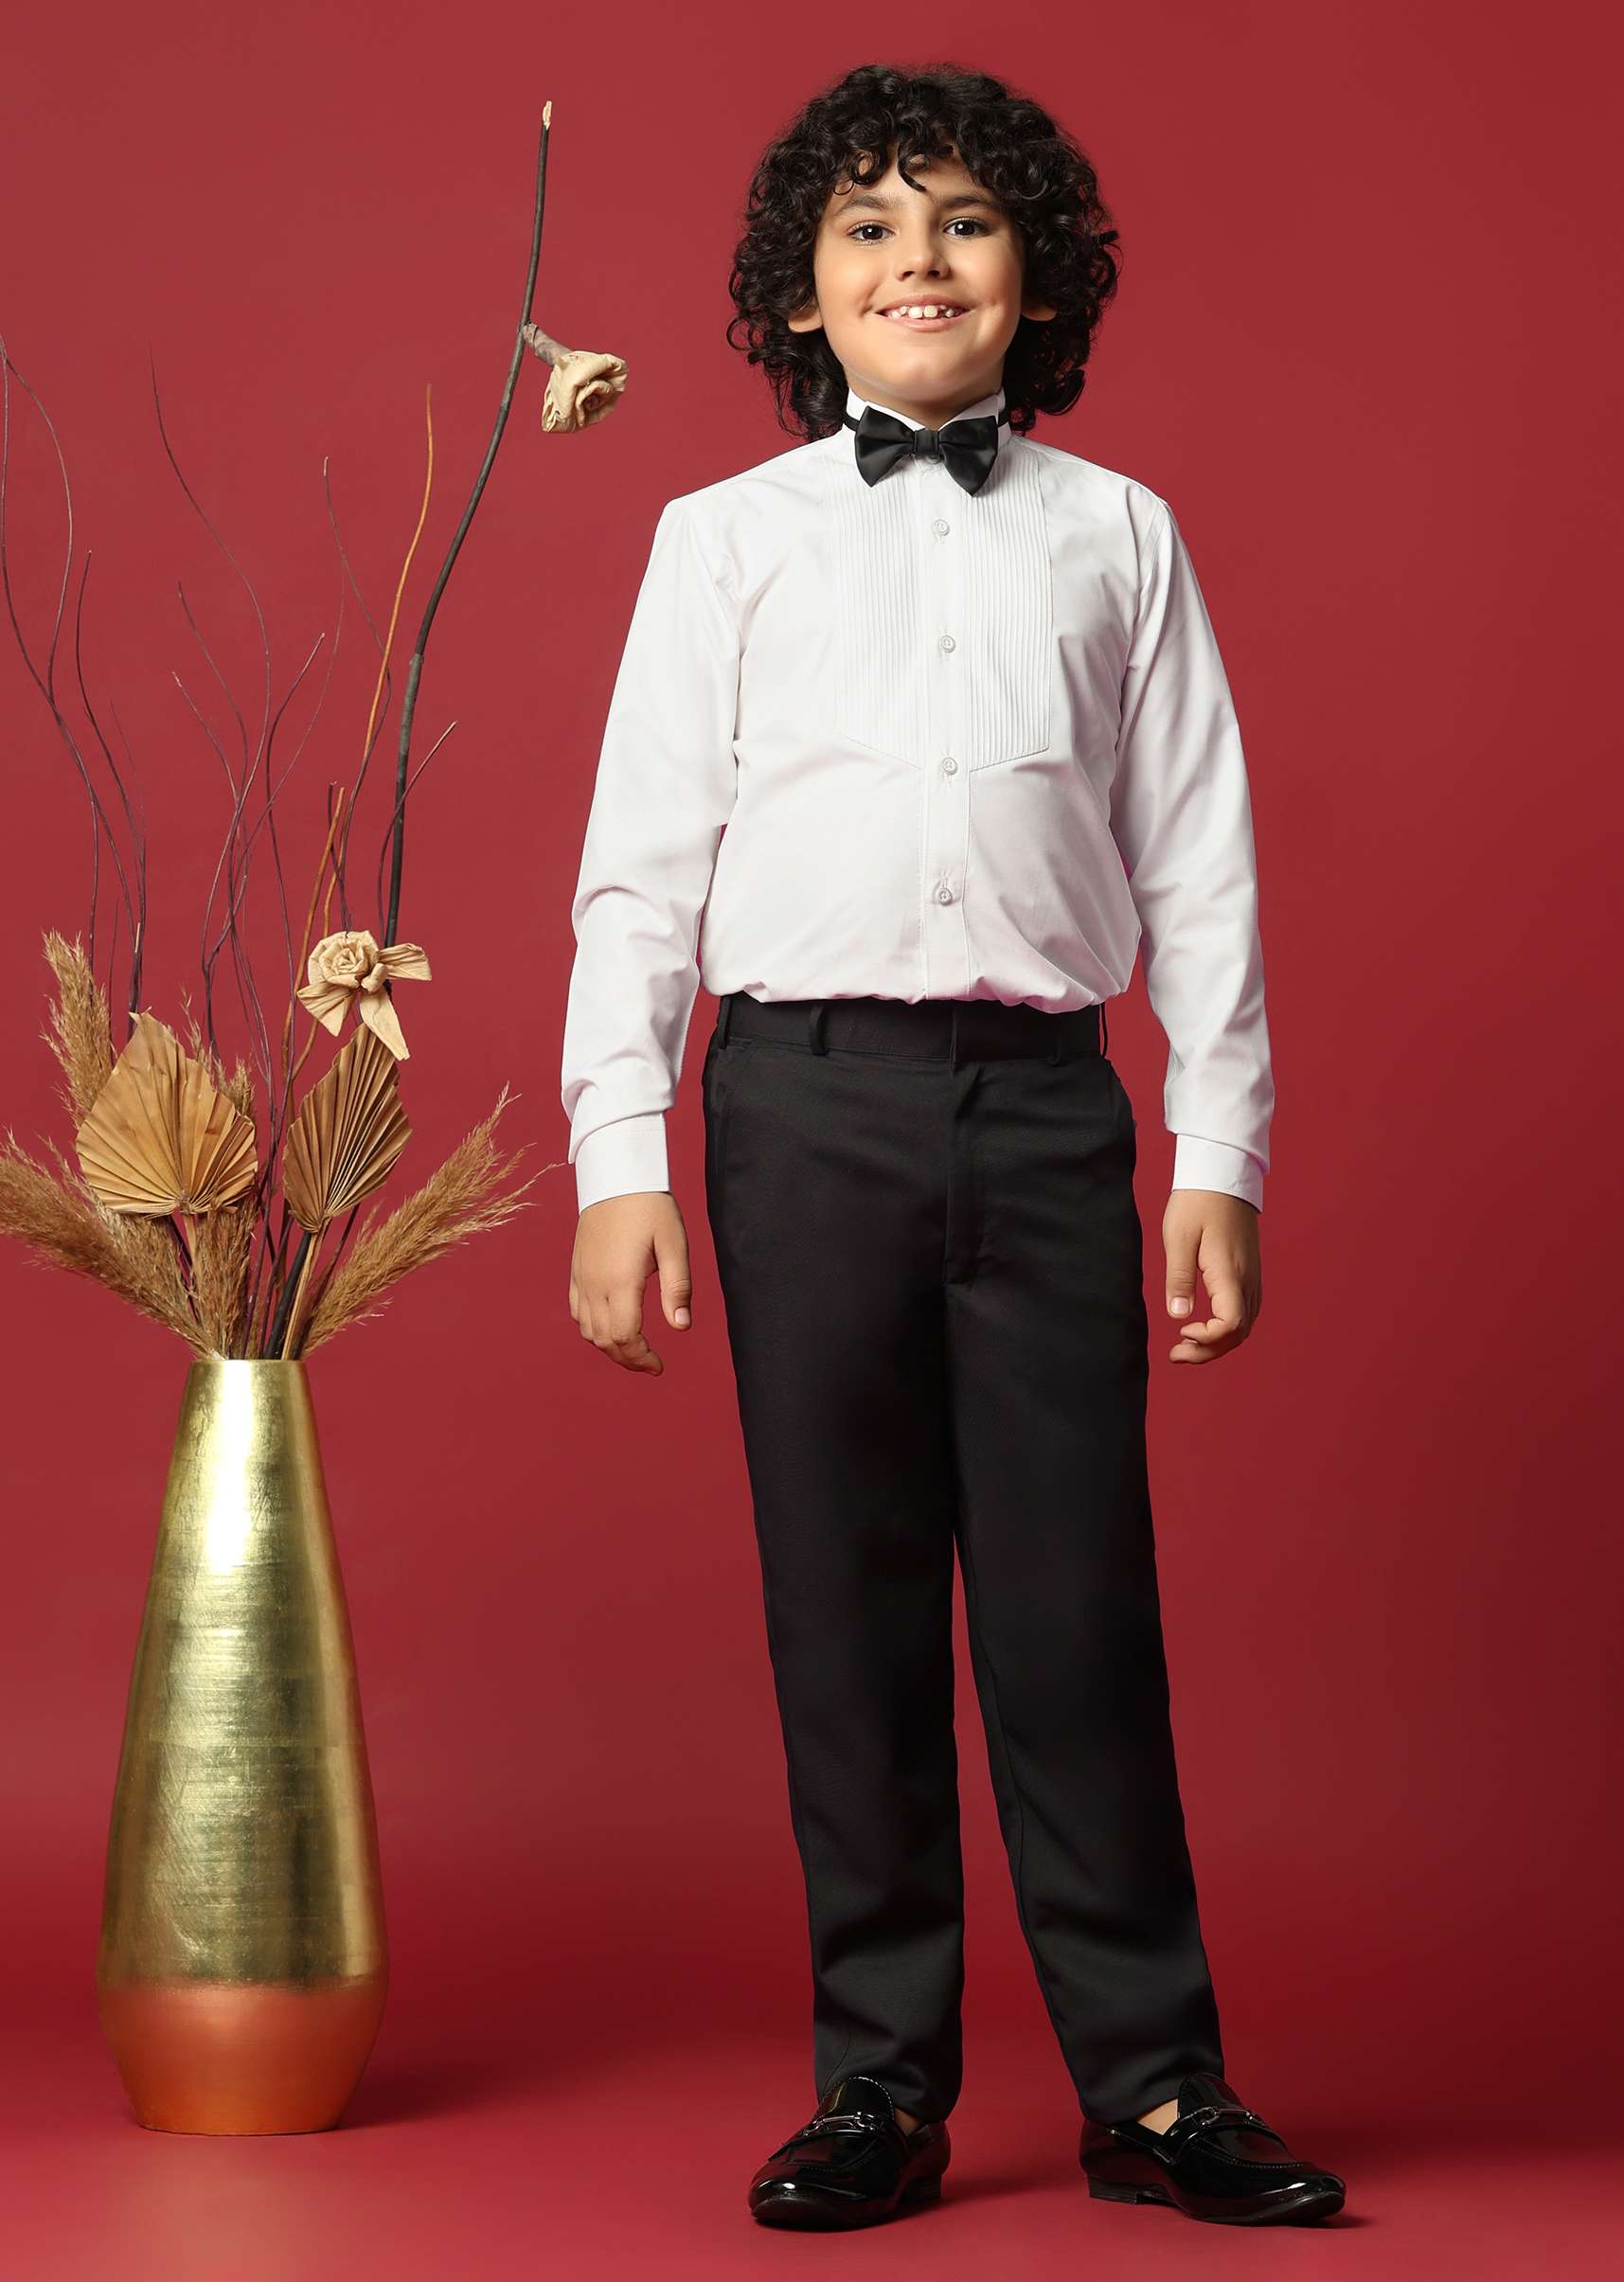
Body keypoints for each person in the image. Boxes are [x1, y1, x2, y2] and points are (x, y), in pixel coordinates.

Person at [561, 62, 1346, 2232]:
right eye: (870, 226)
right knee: (850, 1604)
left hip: (1044, 1107)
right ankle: (879, 2083)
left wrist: (1220, 1147)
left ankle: (1157, 2084)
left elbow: (1201, 862)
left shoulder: (1121, 537)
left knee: (1080, 1605)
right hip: (796, 1105)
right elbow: (640, 868)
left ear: (1040, 278)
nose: (919, 258)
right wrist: (621, 1151)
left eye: (966, 221)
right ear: (800, 293)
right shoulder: (720, 542)